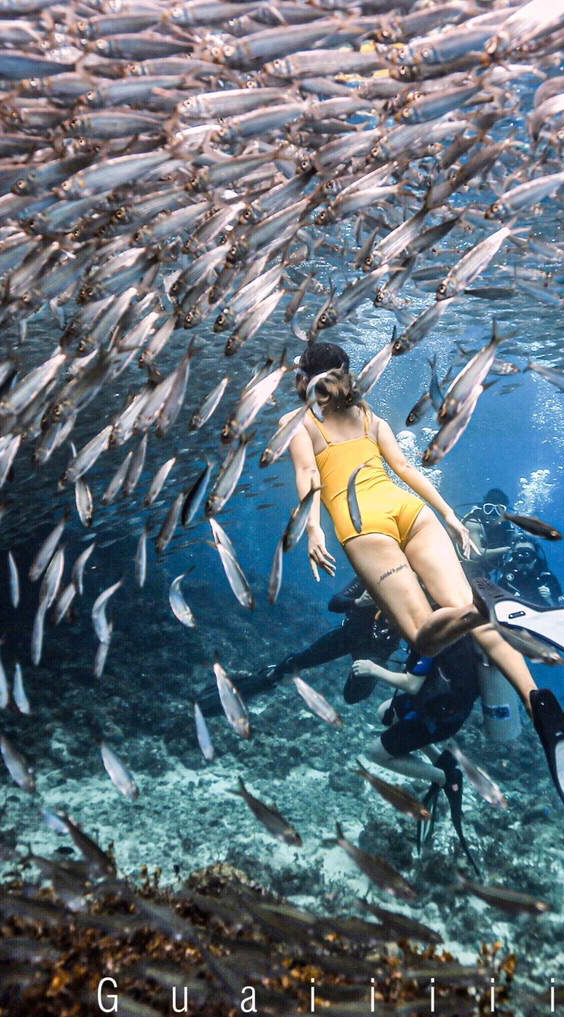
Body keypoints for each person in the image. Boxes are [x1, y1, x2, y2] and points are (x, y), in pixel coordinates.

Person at [283, 341, 541, 710]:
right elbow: (404, 470)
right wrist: (449, 515)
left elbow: (309, 474)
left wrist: (313, 530)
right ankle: (534, 699)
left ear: (302, 378)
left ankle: (480, 607)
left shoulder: (298, 423)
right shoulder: (371, 418)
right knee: (464, 612)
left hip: (364, 527)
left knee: (425, 638)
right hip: (412, 510)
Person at [349, 638, 481, 863]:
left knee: (375, 753)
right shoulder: (454, 636)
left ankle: (442, 777)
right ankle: (439, 759)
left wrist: (373, 669)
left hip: (438, 718)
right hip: (434, 702)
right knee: (384, 713)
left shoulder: (437, 636)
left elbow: (411, 685)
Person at [228, 578, 404, 707]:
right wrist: (357, 602)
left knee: (352, 697)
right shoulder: (374, 578)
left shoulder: (418, 594)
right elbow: (334, 603)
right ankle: (270, 676)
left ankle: (360, 675)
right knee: (301, 660)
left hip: (377, 651)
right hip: (349, 635)